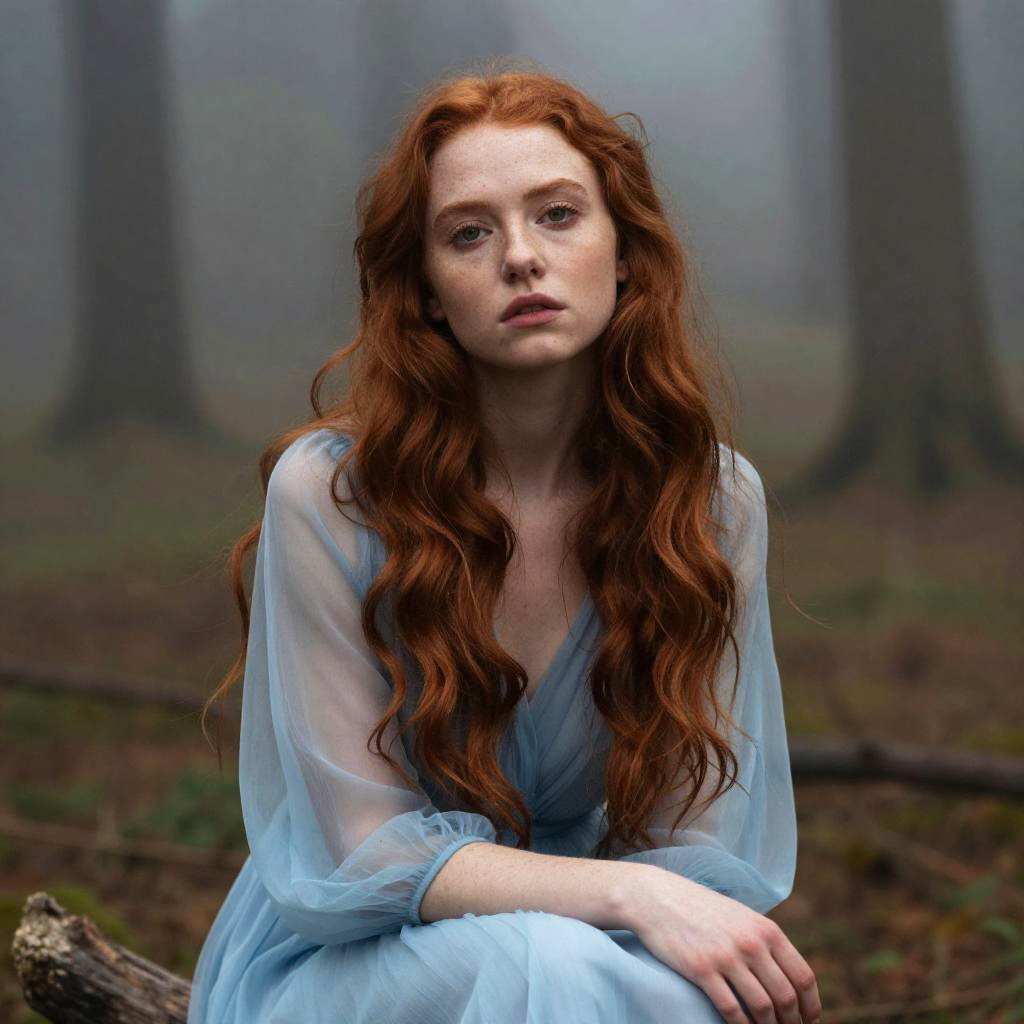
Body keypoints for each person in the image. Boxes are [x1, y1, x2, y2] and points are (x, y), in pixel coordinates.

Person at [187, 64, 822, 1024]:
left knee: (655, 991)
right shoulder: (330, 494)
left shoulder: (713, 500)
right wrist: (626, 895)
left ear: (623, 253)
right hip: (355, 968)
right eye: (469, 233)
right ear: (431, 292)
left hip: (592, 951)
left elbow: (696, 850)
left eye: (559, 215)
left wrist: (646, 906)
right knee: (543, 965)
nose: (520, 257)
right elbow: (366, 856)